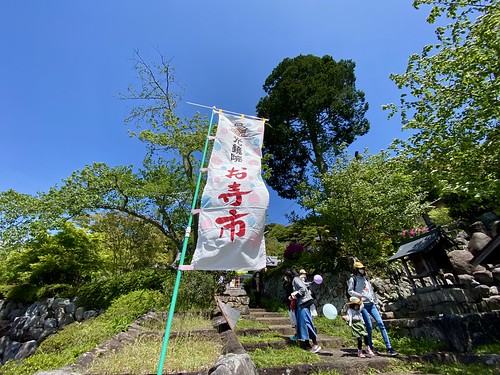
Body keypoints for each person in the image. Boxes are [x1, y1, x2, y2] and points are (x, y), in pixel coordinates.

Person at [347, 261, 397, 356]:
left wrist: (376, 303)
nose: (362, 270)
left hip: (372, 304)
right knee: (369, 326)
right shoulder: (353, 279)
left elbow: (371, 291)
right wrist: (358, 295)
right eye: (360, 268)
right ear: (356, 269)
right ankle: (370, 346)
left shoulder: (366, 279)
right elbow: (350, 291)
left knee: (381, 324)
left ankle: (389, 347)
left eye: (363, 268)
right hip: (363, 305)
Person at [286, 269, 321, 353]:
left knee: (306, 322)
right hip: (302, 304)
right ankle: (308, 343)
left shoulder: (295, 279)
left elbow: (302, 289)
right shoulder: (296, 279)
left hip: (303, 303)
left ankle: (315, 343)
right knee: (303, 323)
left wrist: (295, 295)